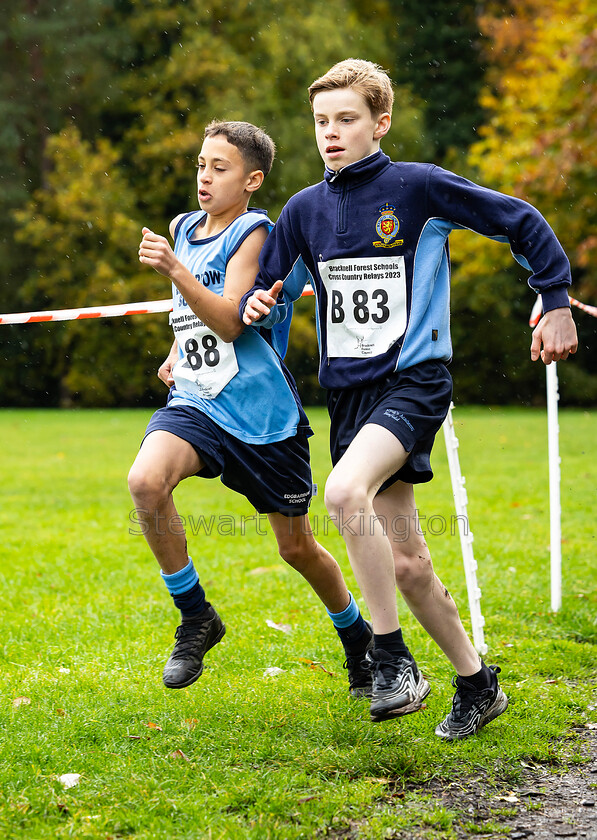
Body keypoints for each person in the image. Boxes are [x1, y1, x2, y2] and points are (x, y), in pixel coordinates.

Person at [240, 60, 578, 740]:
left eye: (346, 120)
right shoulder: (304, 210)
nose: (330, 134)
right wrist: (256, 300)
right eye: (320, 122)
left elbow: (521, 220)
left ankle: (389, 657)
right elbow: (267, 287)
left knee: (341, 495)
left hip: (414, 384)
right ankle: (477, 683)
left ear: (379, 122)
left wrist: (555, 299)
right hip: (349, 397)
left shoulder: (416, 187)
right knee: (405, 562)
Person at [128, 120, 373, 696]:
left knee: (296, 548)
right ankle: (195, 617)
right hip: (196, 400)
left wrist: (174, 269)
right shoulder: (183, 227)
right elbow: (192, 318)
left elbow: (230, 319)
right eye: (200, 165)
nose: (205, 178)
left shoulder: (257, 234)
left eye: (221, 168)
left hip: (263, 417)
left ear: (252, 180)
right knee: (145, 482)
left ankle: (358, 637)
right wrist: (175, 351)